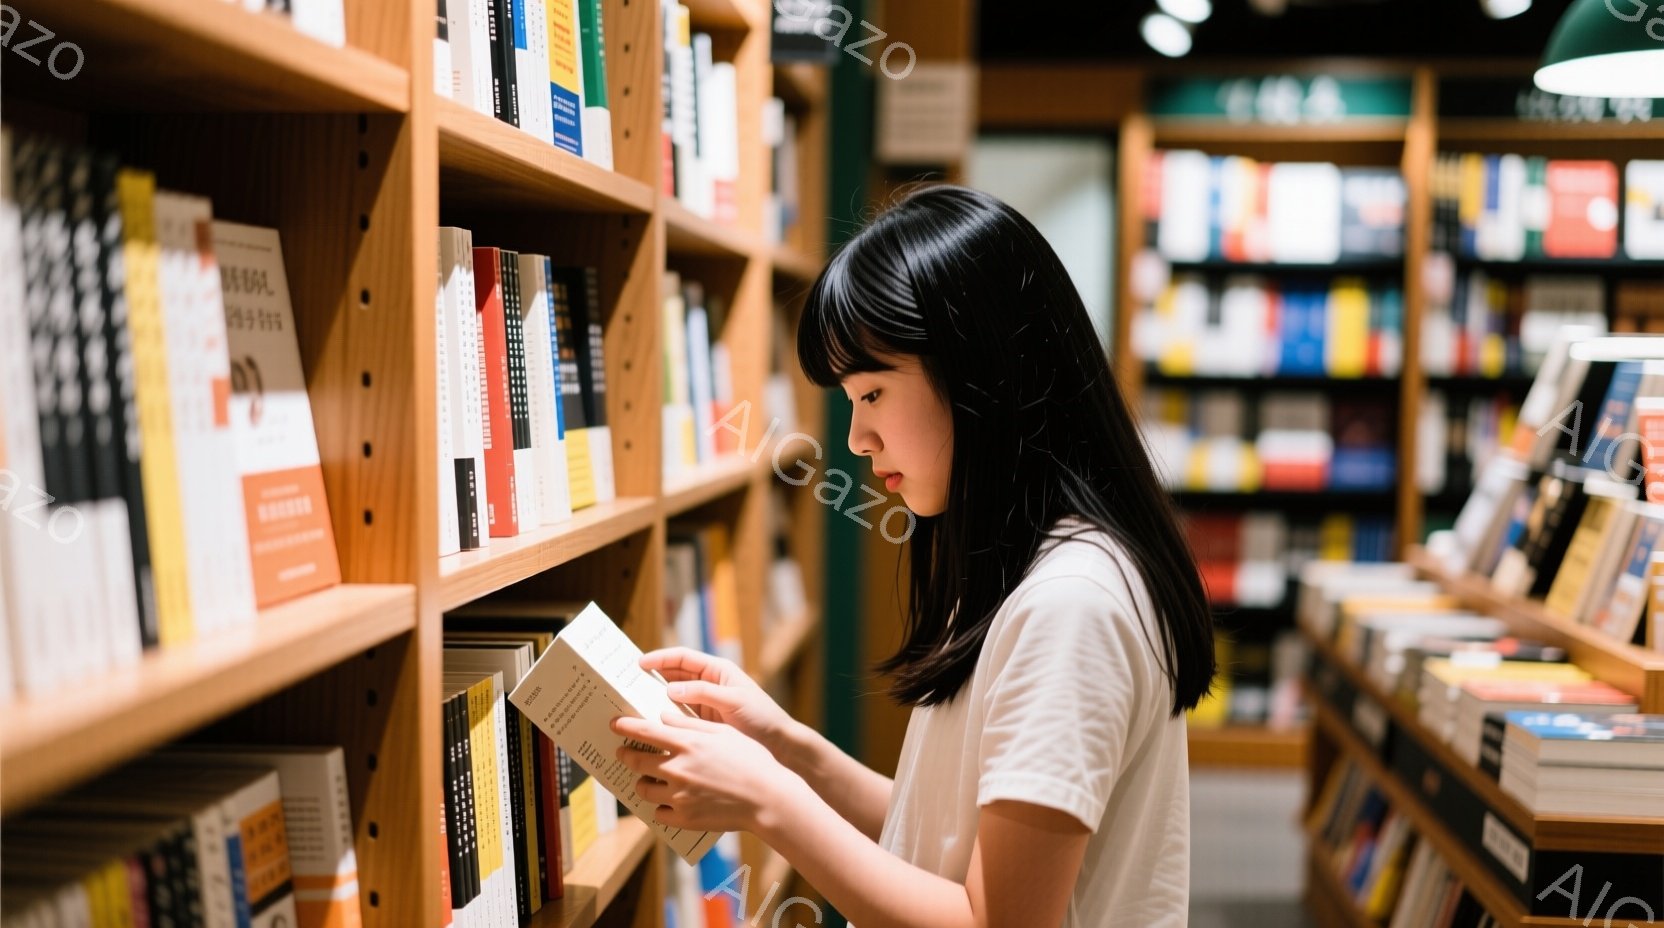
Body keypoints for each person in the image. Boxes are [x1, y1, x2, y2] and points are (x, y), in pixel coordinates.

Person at [611, 184, 1215, 927]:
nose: (857, 440)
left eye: (871, 394)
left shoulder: (1071, 605)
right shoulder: (1029, 567)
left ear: (978, 375)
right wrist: (788, 749)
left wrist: (771, 803)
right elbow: (959, 834)